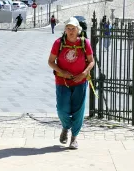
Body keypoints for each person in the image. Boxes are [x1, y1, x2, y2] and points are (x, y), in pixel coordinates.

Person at [48, 17, 95, 149]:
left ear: (78, 30)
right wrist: (62, 71)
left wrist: (84, 73)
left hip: (80, 81)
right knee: (62, 109)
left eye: (73, 28)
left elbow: (91, 61)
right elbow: (50, 61)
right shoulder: (59, 43)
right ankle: (65, 127)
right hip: (62, 81)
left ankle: (74, 137)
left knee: (78, 110)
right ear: (65, 30)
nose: (70, 31)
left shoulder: (84, 43)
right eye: (68, 28)